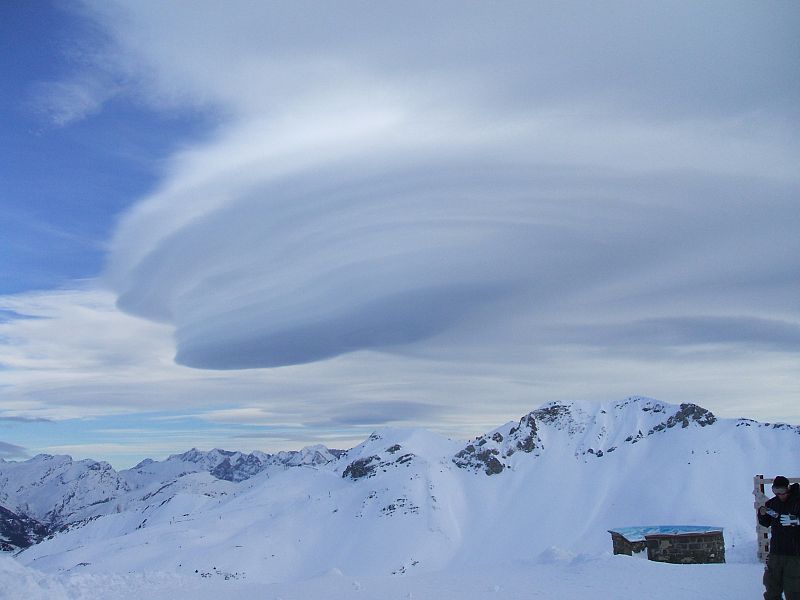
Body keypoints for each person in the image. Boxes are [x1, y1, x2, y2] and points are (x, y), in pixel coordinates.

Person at [758, 476, 800, 600]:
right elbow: (765, 522)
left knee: (794, 590)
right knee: (771, 587)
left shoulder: (798, 501)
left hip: (795, 554)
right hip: (776, 553)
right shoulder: (773, 503)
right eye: (776, 491)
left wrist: (796, 520)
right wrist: (762, 513)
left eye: (781, 491)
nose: (779, 495)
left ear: (788, 488)